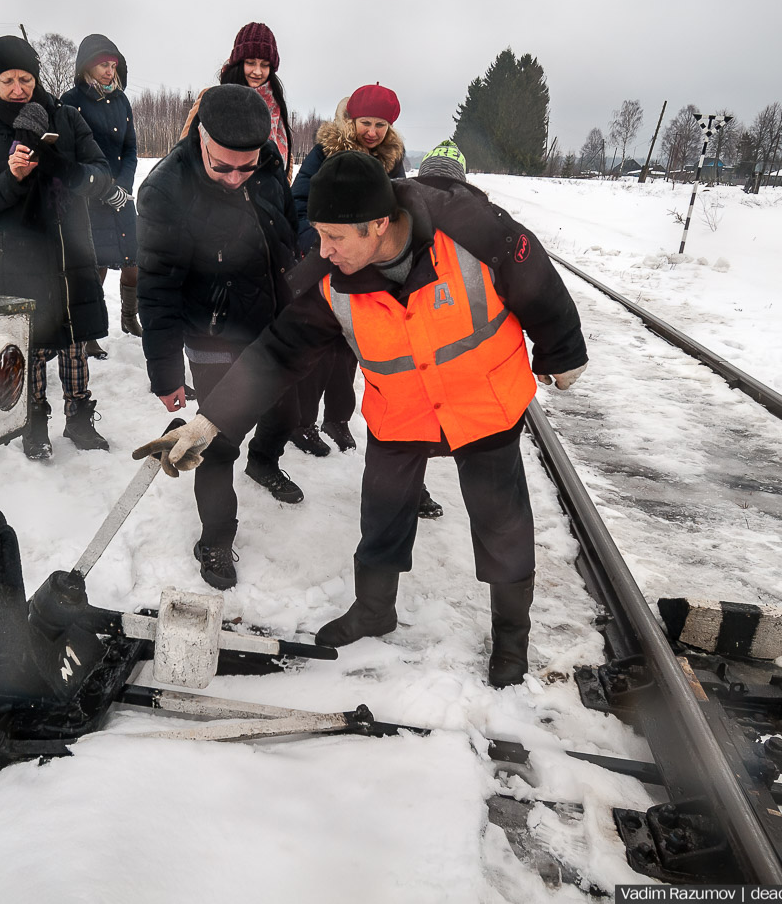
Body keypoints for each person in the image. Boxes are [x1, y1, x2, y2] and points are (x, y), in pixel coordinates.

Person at [134, 151, 589, 686]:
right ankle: (374, 610)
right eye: (319, 235)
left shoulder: (470, 235)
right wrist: (209, 422)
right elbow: (277, 354)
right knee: (383, 515)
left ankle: (512, 639)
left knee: (502, 524)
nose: (323, 249)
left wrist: (562, 351)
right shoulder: (333, 282)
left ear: (378, 224)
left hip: (483, 402)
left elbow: (534, 277)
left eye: (334, 236)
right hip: (401, 412)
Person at [135, 84, 304, 590]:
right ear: (201, 136)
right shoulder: (166, 191)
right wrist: (165, 371)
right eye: (222, 167)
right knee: (218, 442)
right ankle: (215, 538)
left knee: (286, 414)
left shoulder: (268, 166)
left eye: (244, 167)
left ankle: (265, 463)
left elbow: (287, 232)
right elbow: (157, 290)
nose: (234, 178)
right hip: (214, 337)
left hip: (274, 325)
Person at [0, 35, 119, 460]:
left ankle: (79, 416)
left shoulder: (66, 118)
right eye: (8, 81)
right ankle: (34, 422)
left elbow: (100, 173)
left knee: (73, 339)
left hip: (71, 248)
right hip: (18, 256)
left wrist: (59, 165)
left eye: (26, 79)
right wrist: (10, 178)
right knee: (28, 341)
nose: (19, 88)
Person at [286, 84, 410, 463]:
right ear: (351, 120)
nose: (372, 132)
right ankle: (301, 423)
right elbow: (298, 201)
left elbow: (399, 207)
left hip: (366, 267)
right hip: (324, 259)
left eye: (381, 125)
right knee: (317, 345)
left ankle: (337, 418)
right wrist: (319, 242)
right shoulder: (327, 151)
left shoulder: (391, 159)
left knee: (350, 348)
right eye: (366, 123)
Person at [61, 35, 140, 352]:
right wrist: (102, 188)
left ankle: (129, 318)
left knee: (133, 259)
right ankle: (88, 331)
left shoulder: (121, 101)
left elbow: (130, 149)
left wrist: (123, 186)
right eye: (103, 65)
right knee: (96, 265)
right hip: (88, 197)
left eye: (113, 65)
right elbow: (70, 155)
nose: (109, 71)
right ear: (86, 67)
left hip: (121, 195)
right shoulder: (70, 101)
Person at [180, 22, 293, 180]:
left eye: (265, 65)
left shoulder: (277, 109)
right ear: (239, 63)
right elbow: (183, 154)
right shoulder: (212, 100)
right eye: (251, 63)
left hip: (270, 195)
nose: (258, 71)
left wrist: (283, 194)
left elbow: (284, 167)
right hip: (217, 193)